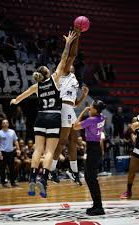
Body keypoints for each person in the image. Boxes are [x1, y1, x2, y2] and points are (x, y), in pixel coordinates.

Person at [10, 30, 77, 198]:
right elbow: (64, 58)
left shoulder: (37, 87)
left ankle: (32, 177)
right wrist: (68, 43)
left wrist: (15, 101)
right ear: (47, 73)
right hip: (54, 117)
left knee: (37, 150)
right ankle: (43, 178)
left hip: (40, 117)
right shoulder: (55, 79)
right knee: (49, 152)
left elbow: (21, 96)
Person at [51, 27, 89, 186]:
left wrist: (83, 97)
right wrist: (76, 37)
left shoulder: (73, 78)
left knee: (74, 141)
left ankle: (74, 171)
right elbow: (72, 54)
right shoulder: (64, 72)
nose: (71, 63)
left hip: (71, 109)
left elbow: (74, 103)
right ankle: (52, 170)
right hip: (64, 109)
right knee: (63, 141)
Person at [73, 100, 106, 216]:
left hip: (93, 149)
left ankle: (99, 206)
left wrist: (82, 112)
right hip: (95, 148)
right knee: (90, 177)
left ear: (95, 110)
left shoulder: (91, 120)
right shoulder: (102, 117)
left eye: (91, 107)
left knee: (91, 178)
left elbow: (75, 126)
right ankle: (96, 204)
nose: (89, 107)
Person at [0, 119, 20, 187]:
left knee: (12, 168)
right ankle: (3, 182)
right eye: (4, 123)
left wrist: (18, 149)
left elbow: (16, 141)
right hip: (3, 152)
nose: (5, 124)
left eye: (7, 123)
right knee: (2, 168)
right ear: (2, 124)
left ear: (8, 124)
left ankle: (13, 182)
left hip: (11, 152)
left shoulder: (12, 132)